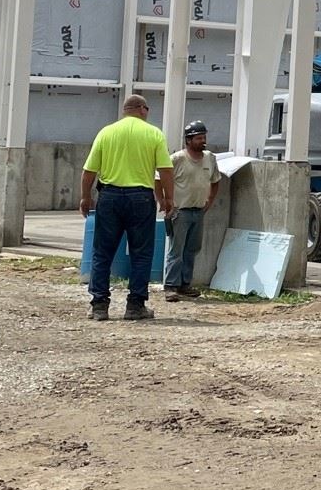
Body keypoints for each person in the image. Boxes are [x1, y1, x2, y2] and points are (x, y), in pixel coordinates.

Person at [79, 94, 174, 321]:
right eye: (147, 108)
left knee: (102, 252)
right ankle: (135, 306)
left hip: (109, 196)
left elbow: (89, 171)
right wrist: (168, 198)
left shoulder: (106, 132)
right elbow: (165, 170)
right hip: (140, 198)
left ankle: (99, 305)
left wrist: (85, 197)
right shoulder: (153, 133)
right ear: (141, 109)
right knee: (141, 253)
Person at [163, 120, 222, 301]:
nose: (202, 141)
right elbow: (159, 179)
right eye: (198, 138)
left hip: (198, 212)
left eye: (204, 137)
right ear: (188, 140)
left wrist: (210, 201)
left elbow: (215, 180)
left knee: (192, 249)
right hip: (180, 212)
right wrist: (165, 202)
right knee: (176, 250)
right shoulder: (177, 159)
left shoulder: (209, 158)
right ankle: (171, 286)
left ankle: (184, 284)